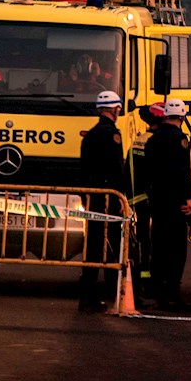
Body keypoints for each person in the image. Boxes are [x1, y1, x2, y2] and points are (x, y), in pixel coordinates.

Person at [78, 90, 128, 313]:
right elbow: (118, 169)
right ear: (115, 109)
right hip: (108, 197)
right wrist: (121, 195)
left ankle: (86, 296)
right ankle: (111, 293)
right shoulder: (112, 135)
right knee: (111, 246)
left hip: (92, 196)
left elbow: (83, 168)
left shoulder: (89, 135)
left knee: (92, 246)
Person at [145, 98, 191, 308]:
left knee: (158, 247)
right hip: (175, 202)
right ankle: (173, 293)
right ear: (183, 117)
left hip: (157, 200)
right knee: (176, 249)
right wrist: (189, 197)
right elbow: (183, 172)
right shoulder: (180, 140)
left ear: (165, 115)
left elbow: (148, 171)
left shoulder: (153, 140)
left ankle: (158, 293)